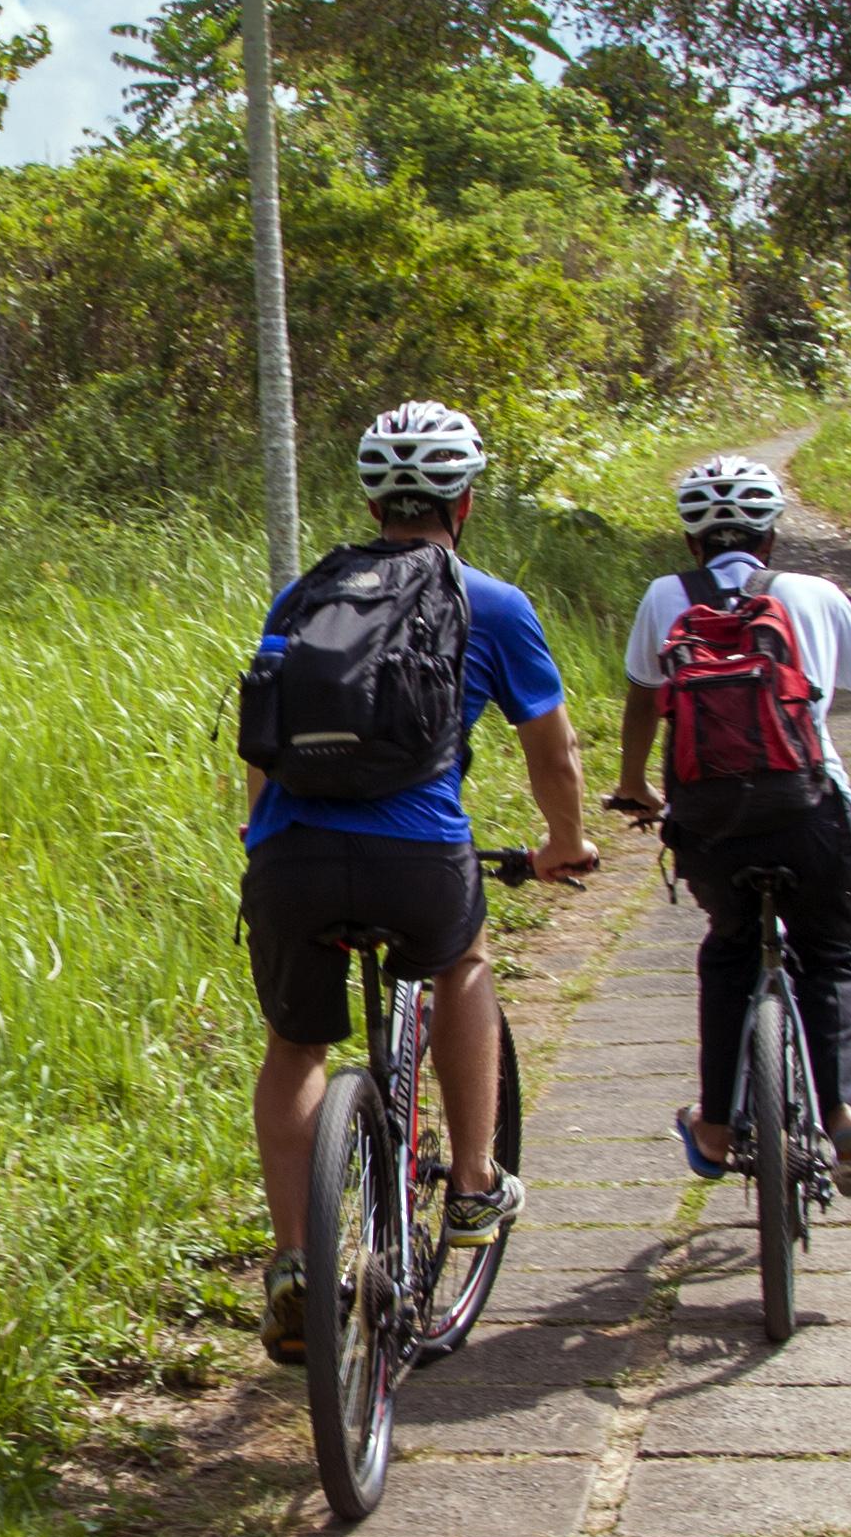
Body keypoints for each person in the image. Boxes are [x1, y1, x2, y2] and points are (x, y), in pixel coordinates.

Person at [235, 402, 599, 1358]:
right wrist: (565, 842)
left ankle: (296, 1264)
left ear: (370, 498)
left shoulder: (305, 595)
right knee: (462, 965)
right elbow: (552, 750)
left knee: (295, 1046)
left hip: (291, 858)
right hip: (417, 854)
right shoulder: (495, 604)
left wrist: (258, 830)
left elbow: (263, 737)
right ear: (466, 501)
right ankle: (475, 1185)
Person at [611, 453, 851, 1190]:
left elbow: (643, 701)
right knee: (829, 956)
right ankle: (846, 1116)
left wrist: (635, 787)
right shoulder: (817, 593)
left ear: (692, 540)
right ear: (771, 536)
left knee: (731, 951)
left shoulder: (664, 596)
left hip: (710, 825)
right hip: (812, 811)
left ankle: (716, 1124)